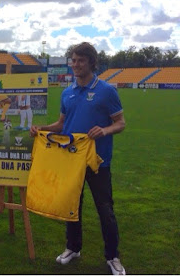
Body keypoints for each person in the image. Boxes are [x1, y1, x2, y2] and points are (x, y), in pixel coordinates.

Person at [30, 42, 126, 275]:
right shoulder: (67, 92)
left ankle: (113, 257)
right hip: (70, 160)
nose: (75, 64)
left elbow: (120, 123)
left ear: (92, 63)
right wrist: (42, 128)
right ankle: (73, 248)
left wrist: (103, 131)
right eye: (73, 60)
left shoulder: (106, 91)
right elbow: (61, 125)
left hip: (98, 161)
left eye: (80, 60)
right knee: (71, 206)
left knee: (105, 209)